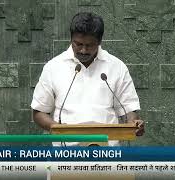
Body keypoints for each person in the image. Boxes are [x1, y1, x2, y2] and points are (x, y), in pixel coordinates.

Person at [31, 12, 144, 146]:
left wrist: (133, 123)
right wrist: (58, 129)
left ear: (99, 41)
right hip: (68, 152)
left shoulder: (116, 67)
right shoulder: (53, 67)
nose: (83, 50)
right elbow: (39, 112)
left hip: (107, 152)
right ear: (71, 39)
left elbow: (129, 110)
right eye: (78, 44)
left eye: (89, 45)